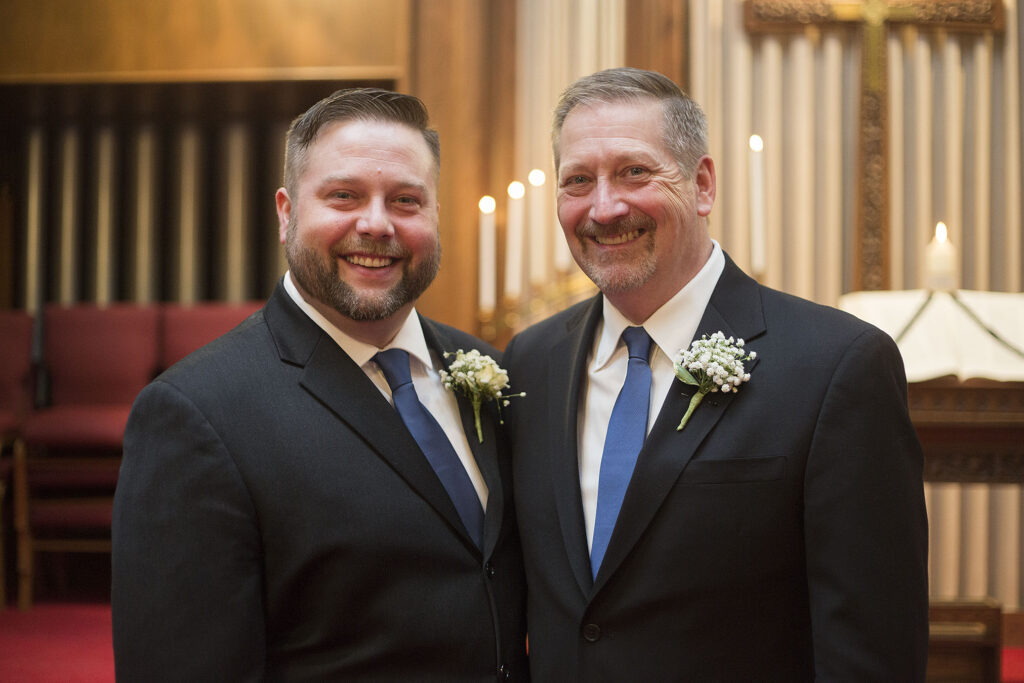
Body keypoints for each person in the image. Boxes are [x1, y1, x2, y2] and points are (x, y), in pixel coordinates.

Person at [503, 67, 928, 681]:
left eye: (634, 172)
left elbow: (872, 648)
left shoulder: (838, 366)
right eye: (577, 181)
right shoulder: (531, 362)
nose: (603, 206)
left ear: (701, 185)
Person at [112, 88, 527, 681]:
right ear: (286, 212)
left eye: (406, 200)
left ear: (436, 215)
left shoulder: (486, 368)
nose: (376, 223)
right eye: (344, 196)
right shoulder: (196, 413)